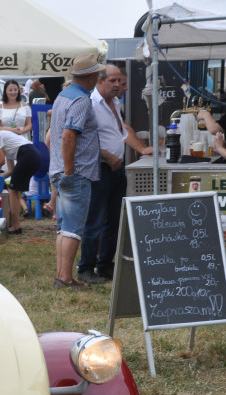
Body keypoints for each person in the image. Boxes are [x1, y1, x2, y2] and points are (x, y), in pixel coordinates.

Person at [81, 64, 153, 283]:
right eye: (112, 81)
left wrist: (141, 149)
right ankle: (85, 267)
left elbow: (122, 131)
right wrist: (106, 156)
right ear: (100, 81)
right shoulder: (91, 104)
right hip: (99, 168)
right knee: (95, 220)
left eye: (119, 81)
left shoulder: (114, 102)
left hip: (117, 167)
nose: (117, 85)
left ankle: (105, 265)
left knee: (114, 219)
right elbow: (84, 140)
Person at [49, 53, 104, 289]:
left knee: (64, 228)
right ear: (90, 77)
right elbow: (69, 134)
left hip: (60, 171)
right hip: (76, 172)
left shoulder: (63, 95)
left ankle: (62, 275)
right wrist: (71, 171)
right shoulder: (82, 100)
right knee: (73, 229)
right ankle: (65, 278)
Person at [0, 125, 41, 235]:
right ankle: (13, 222)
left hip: (27, 154)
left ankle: (16, 226)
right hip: (34, 155)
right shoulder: (5, 141)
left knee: (12, 190)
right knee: (14, 189)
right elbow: (11, 170)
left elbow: (1, 161)